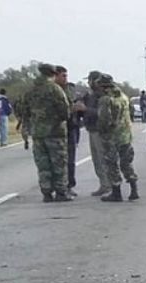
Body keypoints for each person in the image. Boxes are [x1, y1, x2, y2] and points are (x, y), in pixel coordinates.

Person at [26, 63, 72, 202]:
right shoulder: (55, 89)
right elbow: (65, 112)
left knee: (43, 164)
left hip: (37, 133)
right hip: (55, 132)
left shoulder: (31, 90)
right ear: (53, 73)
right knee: (59, 163)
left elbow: (24, 110)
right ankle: (61, 192)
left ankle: (46, 193)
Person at [95, 74, 138, 202]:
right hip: (125, 135)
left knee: (112, 164)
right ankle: (134, 189)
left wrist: (101, 131)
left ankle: (116, 192)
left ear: (102, 86)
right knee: (126, 163)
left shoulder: (106, 99)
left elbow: (104, 119)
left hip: (111, 136)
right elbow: (131, 112)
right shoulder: (124, 97)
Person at [74, 71, 112, 196]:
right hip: (92, 129)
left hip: (100, 130)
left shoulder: (103, 96)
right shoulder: (90, 95)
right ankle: (104, 184)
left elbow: (102, 113)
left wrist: (86, 109)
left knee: (102, 159)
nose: (88, 83)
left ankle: (108, 184)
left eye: (90, 80)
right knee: (97, 160)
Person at [54, 66, 80, 197]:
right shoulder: (52, 91)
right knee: (57, 160)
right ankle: (58, 186)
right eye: (63, 76)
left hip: (71, 128)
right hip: (57, 130)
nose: (65, 78)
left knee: (70, 160)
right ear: (55, 76)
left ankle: (69, 185)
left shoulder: (70, 89)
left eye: (66, 76)